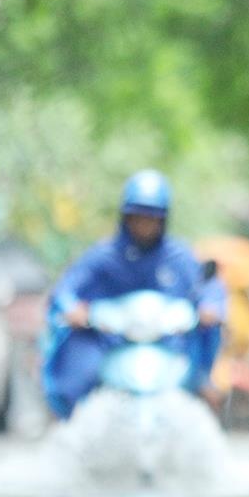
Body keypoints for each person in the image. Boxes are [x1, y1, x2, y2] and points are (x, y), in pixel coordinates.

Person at [42, 171, 213, 420]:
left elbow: (206, 288)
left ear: (163, 219)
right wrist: (71, 308)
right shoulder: (104, 256)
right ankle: (70, 415)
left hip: (165, 344)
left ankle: (206, 385)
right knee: (77, 373)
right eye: (138, 217)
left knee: (198, 368)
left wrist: (210, 307)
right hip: (110, 343)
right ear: (126, 217)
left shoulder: (180, 257)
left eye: (151, 218)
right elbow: (65, 290)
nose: (144, 224)